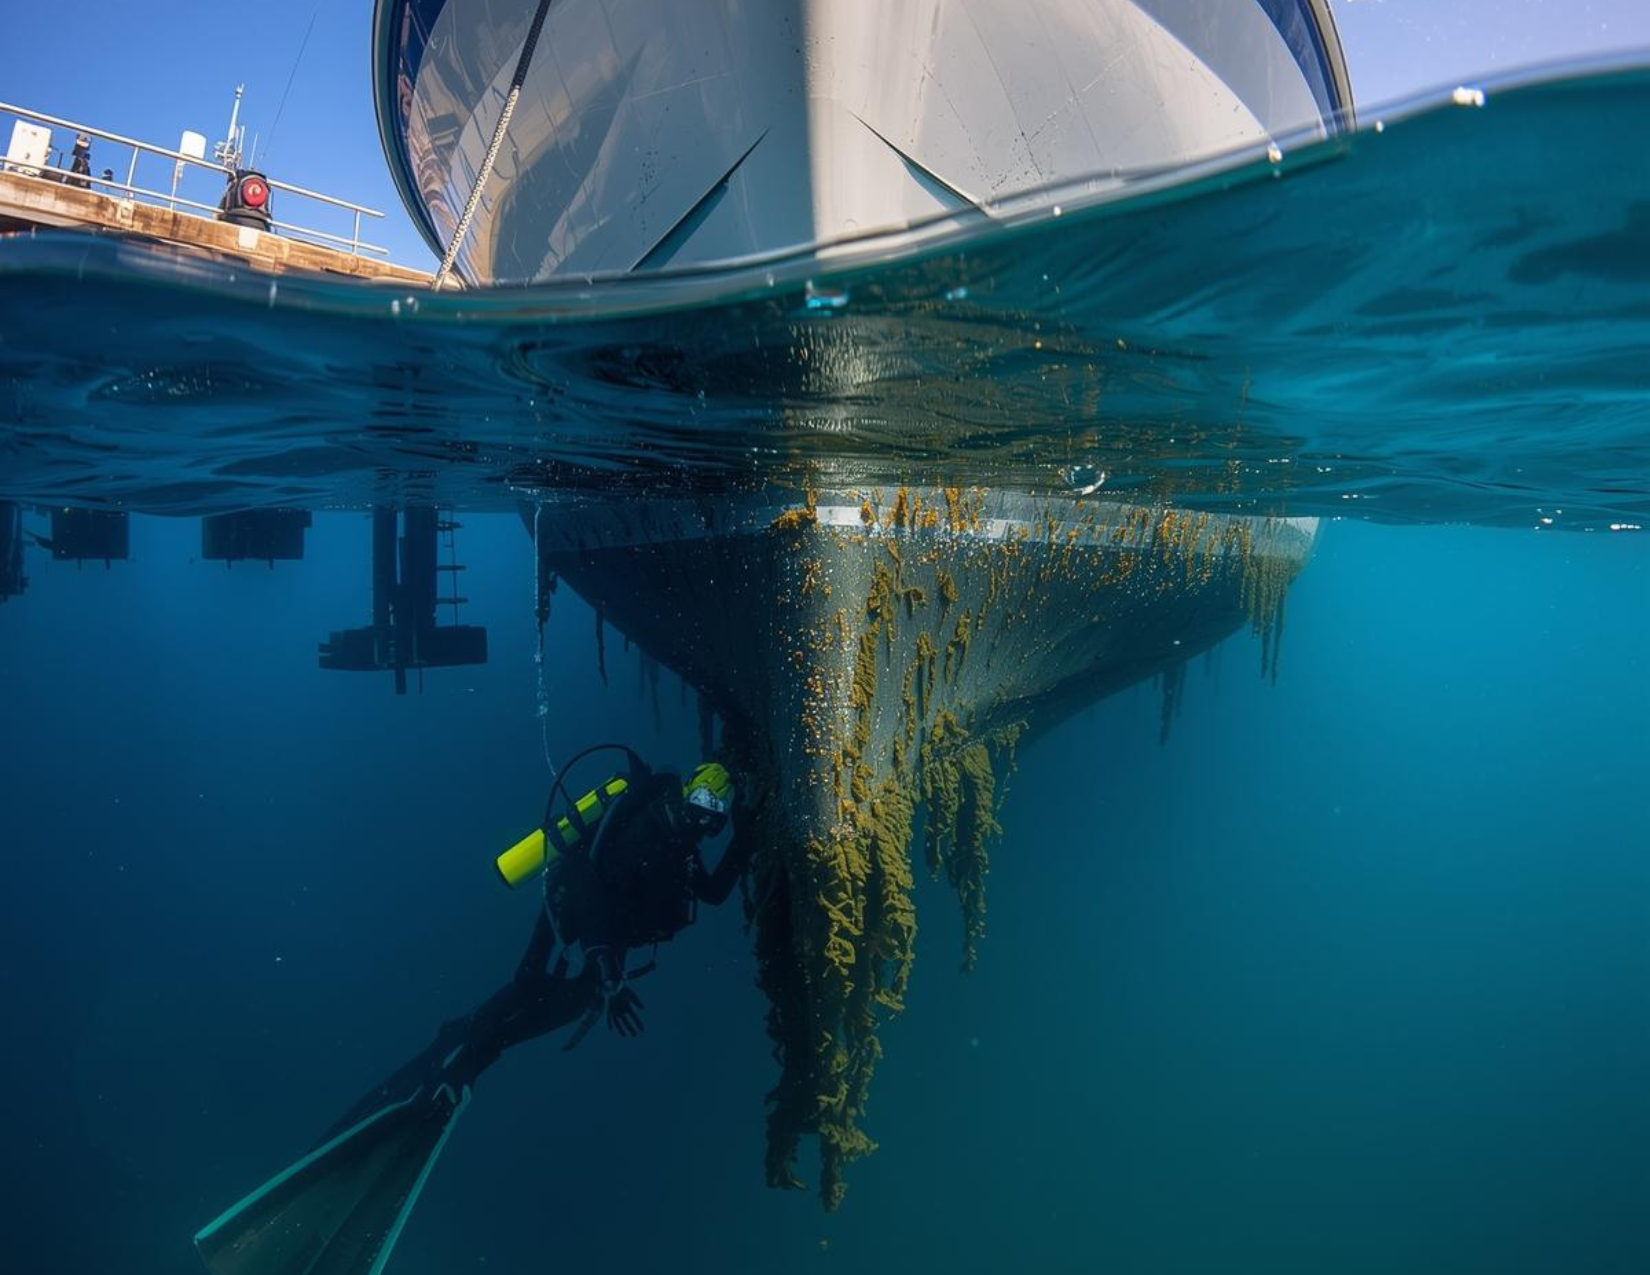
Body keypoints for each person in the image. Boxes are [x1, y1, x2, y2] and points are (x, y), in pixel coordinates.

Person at [193, 754, 748, 1275]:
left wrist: (749, 832)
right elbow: (585, 883)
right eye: (704, 808)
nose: (705, 823)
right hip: (570, 913)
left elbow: (715, 893)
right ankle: (454, 1058)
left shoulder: (682, 846)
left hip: (604, 944)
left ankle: (469, 1061)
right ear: (687, 794)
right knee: (525, 992)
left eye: (716, 819)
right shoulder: (647, 826)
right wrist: (605, 967)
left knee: (550, 1008)